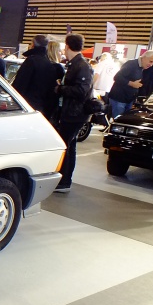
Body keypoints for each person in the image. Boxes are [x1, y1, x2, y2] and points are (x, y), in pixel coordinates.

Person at [53, 34, 92, 193]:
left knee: (66, 145)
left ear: (67, 46)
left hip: (75, 113)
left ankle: (64, 180)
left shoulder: (82, 66)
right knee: (69, 145)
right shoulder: (75, 64)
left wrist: (60, 88)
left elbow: (82, 91)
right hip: (70, 111)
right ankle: (64, 179)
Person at [11, 34, 60, 120]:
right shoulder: (50, 65)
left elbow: (20, 84)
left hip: (27, 105)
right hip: (42, 108)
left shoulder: (31, 61)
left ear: (33, 45)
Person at [108, 50, 153, 118]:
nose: (151, 65)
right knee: (119, 121)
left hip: (128, 100)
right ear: (144, 57)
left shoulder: (142, 67)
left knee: (124, 121)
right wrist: (131, 84)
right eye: (150, 61)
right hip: (119, 99)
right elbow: (117, 77)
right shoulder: (131, 64)